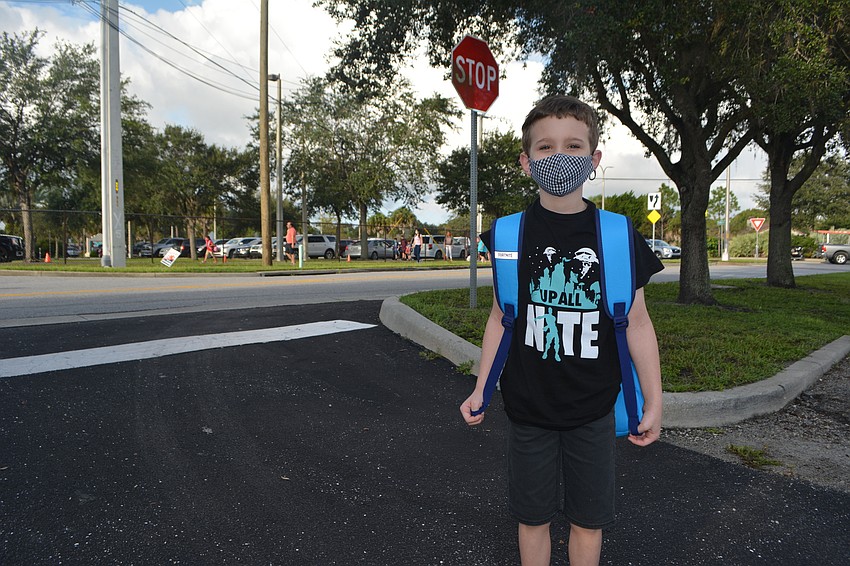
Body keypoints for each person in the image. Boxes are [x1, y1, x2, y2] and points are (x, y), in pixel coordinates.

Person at [459, 95, 664, 566]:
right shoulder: (508, 234)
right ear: (526, 162)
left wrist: (654, 399)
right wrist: (480, 388)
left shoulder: (616, 235)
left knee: (587, 522)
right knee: (531, 518)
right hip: (528, 406)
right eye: (545, 147)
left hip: (592, 408)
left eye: (574, 146)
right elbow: (500, 318)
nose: (560, 157)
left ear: (593, 160)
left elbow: (636, 321)